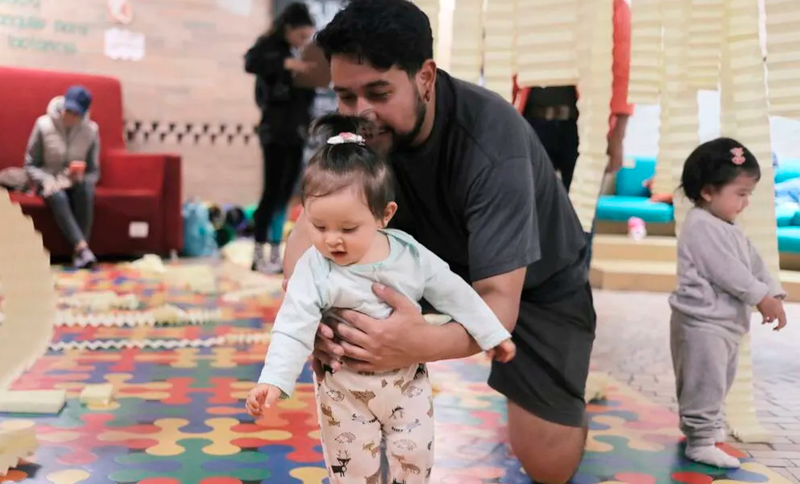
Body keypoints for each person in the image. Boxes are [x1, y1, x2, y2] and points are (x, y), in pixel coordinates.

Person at [281, 1, 596, 482]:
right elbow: (305, 243)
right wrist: (318, 325)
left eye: (379, 92)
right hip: (414, 262)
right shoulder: (355, 134)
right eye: (346, 96)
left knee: (549, 466)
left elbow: (498, 305)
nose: (361, 114)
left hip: (532, 283)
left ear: (425, 77)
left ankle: (564, 400)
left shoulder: (493, 143)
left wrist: (417, 343)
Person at [246, 114, 515, 483]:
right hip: (345, 391)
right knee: (353, 471)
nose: (332, 240)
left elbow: (455, 292)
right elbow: (293, 325)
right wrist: (273, 380)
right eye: (319, 226)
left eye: (348, 228)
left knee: (414, 458)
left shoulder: (409, 255)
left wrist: (492, 334)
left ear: (383, 215)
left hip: (407, 383)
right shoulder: (315, 266)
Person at [669, 137, 787, 469]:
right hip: (700, 323)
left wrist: (773, 291)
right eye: (741, 194)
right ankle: (700, 439)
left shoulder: (727, 225)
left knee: (718, 381)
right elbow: (729, 272)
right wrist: (760, 297)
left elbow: (753, 263)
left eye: (748, 194)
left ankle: (706, 431)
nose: (746, 202)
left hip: (724, 323)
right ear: (708, 191)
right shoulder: (700, 226)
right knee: (703, 381)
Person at [512, 0, 633, 267]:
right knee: (527, 213)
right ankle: (531, 292)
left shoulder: (611, 6)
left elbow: (622, 69)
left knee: (581, 213)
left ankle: (575, 291)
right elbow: (509, 59)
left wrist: (617, 138)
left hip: (584, 127)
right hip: (532, 122)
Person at [244, 2, 317, 274]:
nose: (303, 42)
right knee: (271, 191)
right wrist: (286, 64)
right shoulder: (270, 48)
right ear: (288, 29)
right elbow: (251, 62)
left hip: (296, 132)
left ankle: (276, 251)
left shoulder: (302, 54)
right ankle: (258, 251)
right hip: (274, 131)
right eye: (300, 36)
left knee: (287, 193)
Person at [24, 85, 100, 269]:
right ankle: (82, 248)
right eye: (69, 110)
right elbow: (30, 164)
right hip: (48, 181)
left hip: (74, 181)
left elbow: (94, 170)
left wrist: (82, 177)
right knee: (57, 195)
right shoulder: (43, 124)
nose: (71, 116)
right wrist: (46, 180)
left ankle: (79, 253)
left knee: (86, 189)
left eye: (77, 113)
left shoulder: (91, 130)